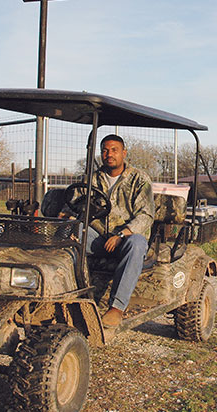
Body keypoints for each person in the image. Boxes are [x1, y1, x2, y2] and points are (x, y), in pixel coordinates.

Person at [84, 134, 154, 328]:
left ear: (124, 153)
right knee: (72, 232)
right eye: (105, 150)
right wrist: (68, 216)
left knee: (138, 244)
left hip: (127, 239)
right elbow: (77, 201)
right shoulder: (93, 178)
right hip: (99, 237)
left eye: (114, 150)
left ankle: (116, 307)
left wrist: (122, 234)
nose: (109, 154)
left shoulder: (139, 179)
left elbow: (146, 215)